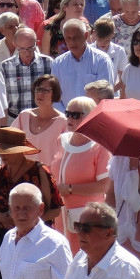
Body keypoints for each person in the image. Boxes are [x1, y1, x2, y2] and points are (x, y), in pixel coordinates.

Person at [54, 97, 112, 253]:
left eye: (76, 114)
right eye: (68, 113)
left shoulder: (100, 146)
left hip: (86, 217)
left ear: (90, 116)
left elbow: (104, 186)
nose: (69, 118)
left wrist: (70, 189)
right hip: (60, 215)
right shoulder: (61, 139)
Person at [52, 20, 115, 108]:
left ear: (86, 35)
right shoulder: (58, 64)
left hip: (93, 118)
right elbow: (55, 98)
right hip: (67, 118)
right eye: (68, 38)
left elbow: (105, 97)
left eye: (76, 37)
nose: (72, 42)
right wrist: (68, 116)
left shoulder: (102, 60)